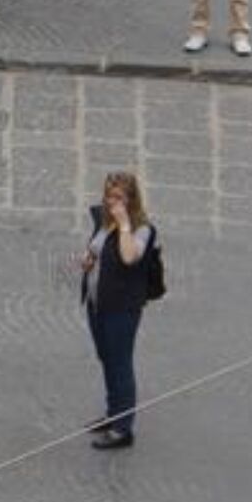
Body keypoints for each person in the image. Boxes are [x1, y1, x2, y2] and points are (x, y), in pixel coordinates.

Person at [80, 171, 160, 450]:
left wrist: (124, 224)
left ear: (131, 200)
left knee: (120, 363)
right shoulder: (105, 220)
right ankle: (114, 413)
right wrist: (89, 260)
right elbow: (98, 247)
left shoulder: (141, 229)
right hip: (97, 303)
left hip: (121, 309)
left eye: (118, 197)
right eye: (108, 195)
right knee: (106, 357)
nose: (111, 202)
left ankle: (123, 429)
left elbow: (128, 257)